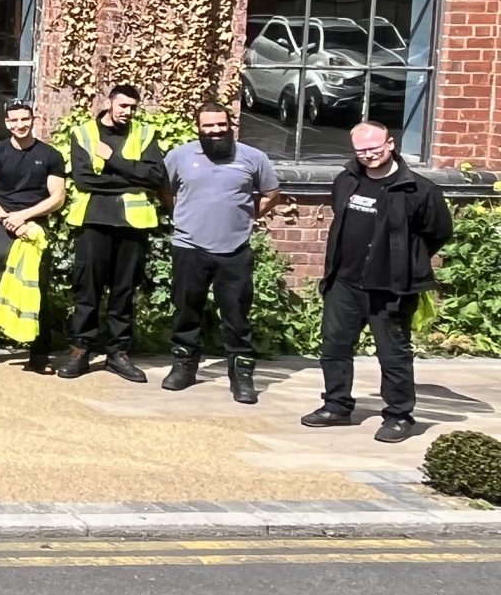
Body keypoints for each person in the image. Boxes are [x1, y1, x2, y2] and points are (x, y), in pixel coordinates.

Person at [307, 121, 453, 441]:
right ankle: (336, 405)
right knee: (334, 346)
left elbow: (438, 232)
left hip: (390, 286)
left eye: (375, 148)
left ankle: (399, 415)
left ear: (390, 144)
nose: (369, 155)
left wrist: (405, 260)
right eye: (361, 150)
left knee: (392, 353)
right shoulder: (347, 180)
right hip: (344, 282)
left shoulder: (418, 189)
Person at [158, 101, 280, 404]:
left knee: (237, 315)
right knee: (186, 309)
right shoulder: (179, 156)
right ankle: (184, 366)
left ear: (231, 124)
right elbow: (165, 191)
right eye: (208, 126)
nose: (215, 131)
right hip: (189, 246)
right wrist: (185, 217)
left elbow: (271, 194)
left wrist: (246, 217)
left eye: (220, 125)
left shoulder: (253, 157)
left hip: (235, 248)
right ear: (198, 127)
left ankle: (241, 375)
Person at [58, 83, 166, 383]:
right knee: (87, 291)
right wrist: (133, 179)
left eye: (133, 108)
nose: (127, 113)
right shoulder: (83, 133)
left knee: (124, 291)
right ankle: (81, 350)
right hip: (93, 221)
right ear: (109, 103)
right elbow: (84, 181)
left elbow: (156, 177)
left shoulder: (144, 133)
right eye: (123, 106)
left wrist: (113, 161)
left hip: (132, 225)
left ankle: (118, 353)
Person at [0, 101, 68, 370]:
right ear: (6, 122)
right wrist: (7, 219)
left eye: (24, 119)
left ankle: (38, 355)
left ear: (33, 119)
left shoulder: (50, 155)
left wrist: (24, 217)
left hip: (35, 230)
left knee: (37, 293)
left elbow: (57, 197)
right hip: (2, 227)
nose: (20, 124)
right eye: (14, 120)